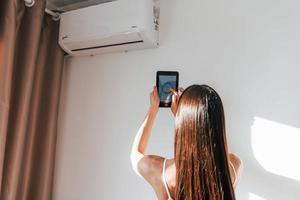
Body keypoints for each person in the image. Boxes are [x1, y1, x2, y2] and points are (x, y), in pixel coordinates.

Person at [130, 84, 242, 200]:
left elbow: (135, 154)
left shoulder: (162, 173)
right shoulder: (234, 166)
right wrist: (183, 120)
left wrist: (154, 108)